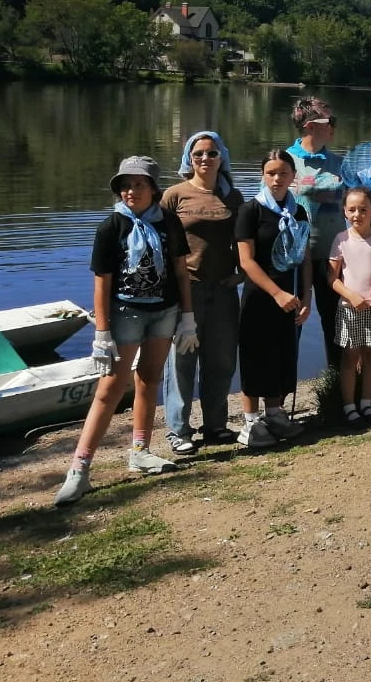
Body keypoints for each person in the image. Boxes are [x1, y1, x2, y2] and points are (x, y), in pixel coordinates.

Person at [55, 157, 193, 505]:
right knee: (110, 389)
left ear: (153, 188)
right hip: (125, 315)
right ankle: (79, 469)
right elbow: (102, 284)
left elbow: (180, 271)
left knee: (149, 379)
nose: (131, 191)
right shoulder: (111, 227)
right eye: (125, 185)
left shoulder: (169, 222)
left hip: (164, 312)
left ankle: (140, 452)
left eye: (139, 184)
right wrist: (101, 333)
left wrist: (188, 317)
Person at [161, 131, 244, 455]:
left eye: (211, 153)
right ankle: (178, 430)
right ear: (189, 158)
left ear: (222, 157)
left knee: (221, 360)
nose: (205, 159)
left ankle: (215, 425)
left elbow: (243, 240)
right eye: (198, 154)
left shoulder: (232, 197)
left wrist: (241, 274)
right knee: (181, 362)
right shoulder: (175, 195)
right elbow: (159, 240)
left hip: (223, 291)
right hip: (187, 290)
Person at [234, 150, 313, 448]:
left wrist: (306, 296)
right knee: (256, 356)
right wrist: (276, 293)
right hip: (261, 296)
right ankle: (251, 422)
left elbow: (304, 258)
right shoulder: (250, 211)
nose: (277, 178)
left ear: (293, 176)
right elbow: (247, 261)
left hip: (291, 295)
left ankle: (275, 414)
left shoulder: (299, 212)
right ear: (263, 176)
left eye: (283, 173)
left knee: (282, 355)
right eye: (271, 173)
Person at [287, 97, 348, 376]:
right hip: (294, 260)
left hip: (332, 258)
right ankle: (281, 393)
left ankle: (337, 387)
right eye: (329, 121)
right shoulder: (285, 161)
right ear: (310, 126)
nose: (334, 126)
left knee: (336, 325)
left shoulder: (340, 164)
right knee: (291, 324)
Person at [329, 186, 371, 430]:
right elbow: (332, 278)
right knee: (350, 356)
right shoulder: (341, 240)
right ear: (345, 212)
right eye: (352, 210)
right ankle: (349, 406)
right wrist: (350, 296)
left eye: (363, 209)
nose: (357, 214)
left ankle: (367, 403)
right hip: (350, 307)